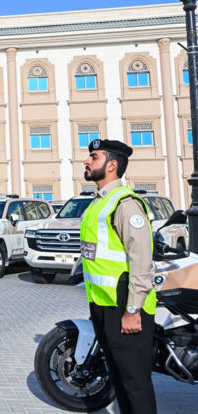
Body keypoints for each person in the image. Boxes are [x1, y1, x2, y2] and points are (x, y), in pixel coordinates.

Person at [80, 138, 156, 414]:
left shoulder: (125, 204)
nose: (86, 161)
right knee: (120, 380)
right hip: (104, 305)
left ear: (111, 165)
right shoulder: (98, 202)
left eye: (94, 157)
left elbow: (141, 261)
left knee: (135, 383)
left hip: (126, 307)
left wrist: (133, 309)